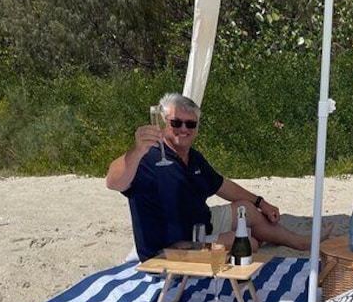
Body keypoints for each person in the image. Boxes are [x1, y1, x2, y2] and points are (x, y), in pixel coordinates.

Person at [106, 92, 332, 261]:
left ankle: (301, 242)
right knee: (248, 243)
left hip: (201, 223)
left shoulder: (193, 157)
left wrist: (261, 202)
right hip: (174, 246)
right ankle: (253, 238)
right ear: (164, 124)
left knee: (246, 208)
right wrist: (135, 151)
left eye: (190, 124)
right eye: (176, 123)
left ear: (197, 128)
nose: (183, 129)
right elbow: (114, 182)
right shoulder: (146, 158)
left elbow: (221, 185)